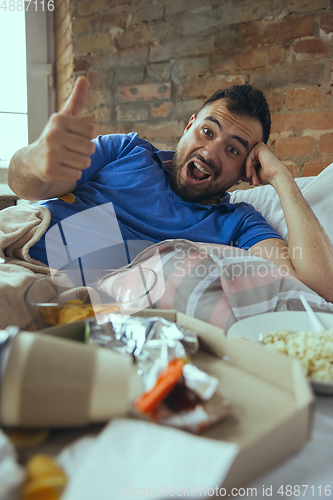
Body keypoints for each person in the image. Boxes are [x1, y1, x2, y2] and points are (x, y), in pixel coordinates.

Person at [7, 78, 333, 301]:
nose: (210, 152)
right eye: (207, 131)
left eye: (233, 150)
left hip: (86, 304)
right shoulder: (126, 150)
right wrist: (35, 159)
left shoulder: (239, 223)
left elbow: (316, 285)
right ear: (189, 125)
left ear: (247, 169)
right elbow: (29, 185)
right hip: (17, 259)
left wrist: (282, 178)